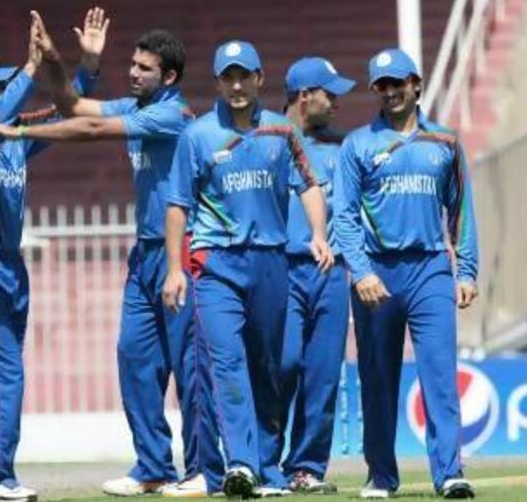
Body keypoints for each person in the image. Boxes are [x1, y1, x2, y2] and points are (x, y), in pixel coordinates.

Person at [0, 13, 220, 498]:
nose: (133, 73)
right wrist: (55, 60)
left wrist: (20, 134)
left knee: (190, 367)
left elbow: (87, 127)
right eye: (131, 64)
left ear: (168, 77)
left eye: (144, 68)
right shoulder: (136, 104)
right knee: (134, 357)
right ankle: (153, 465)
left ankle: (203, 471)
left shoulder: (171, 115)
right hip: (144, 254)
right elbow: (69, 102)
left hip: (182, 251)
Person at [0, 9, 105, 502]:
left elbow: (64, 116)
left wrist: (87, 68)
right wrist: (31, 67)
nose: (6, 88)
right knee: (4, 375)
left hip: (9, 264)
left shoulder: (11, 139)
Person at [161, 40, 332, 498]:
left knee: (268, 365)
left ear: (260, 79)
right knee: (227, 360)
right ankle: (240, 464)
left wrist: (318, 233)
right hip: (217, 263)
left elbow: (310, 185)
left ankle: (266, 467)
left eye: (244, 76)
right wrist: (174, 269)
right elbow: (177, 206)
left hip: (271, 261)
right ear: (218, 82)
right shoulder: (197, 136)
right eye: (227, 77)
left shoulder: (282, 132)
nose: (236, 85)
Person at [333, 48, 479, 499]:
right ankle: (381, 475)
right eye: (383, 85)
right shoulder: (358, 145)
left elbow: (461, 211)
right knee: (378, 378)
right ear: (376, 90)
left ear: (416, 84)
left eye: (399, 83)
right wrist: (359, 271)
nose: (392, 92)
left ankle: (449, 473)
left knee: (439, 372)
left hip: (431, 270)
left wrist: (467, 269)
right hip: (377, 272)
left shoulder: (445, 143)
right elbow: (344, 217)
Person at [278, 57, 355, 494]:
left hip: (331, 273)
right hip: (282, 269)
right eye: (330, 93)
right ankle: (263, 460)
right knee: (283, 363)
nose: (337, 102)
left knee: (323, 374)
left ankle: (306, 467)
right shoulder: (267, 138)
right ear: (305, 96)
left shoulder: (344, 149)